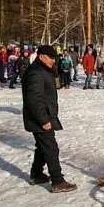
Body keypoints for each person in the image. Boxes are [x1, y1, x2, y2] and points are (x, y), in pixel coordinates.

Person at [22, 45, 76, 193]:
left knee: (42, 147)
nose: (54, 60)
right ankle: (57, 181)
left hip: (43, 116)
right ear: (41, 56)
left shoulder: (43, 70)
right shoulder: (36, 73)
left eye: (55, 57)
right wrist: (43, 120)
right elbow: (33, 100)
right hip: (40, 118)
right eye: (51, 57)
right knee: (51, 148)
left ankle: (36, 174)